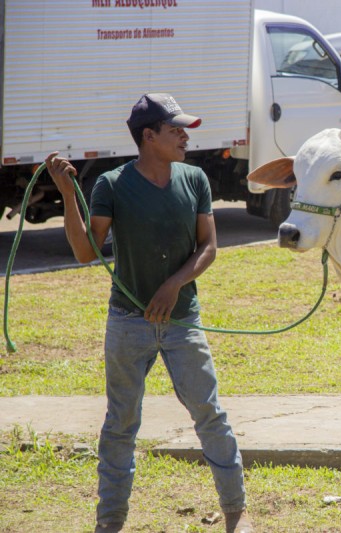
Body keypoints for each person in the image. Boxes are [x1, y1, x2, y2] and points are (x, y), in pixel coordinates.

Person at [46, 93, 253, 533]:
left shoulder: (194, 179)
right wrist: (69, 194)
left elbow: (209, 246)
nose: (184, 136)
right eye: (175, 129)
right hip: (127, 323)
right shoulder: (112, 184)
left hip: (182, 322)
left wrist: (174, 284)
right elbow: (86, 251)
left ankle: (237, 514)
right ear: (148, 136)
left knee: (209, 413)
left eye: (184, 129)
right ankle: (110, 522)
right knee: (121, 423)